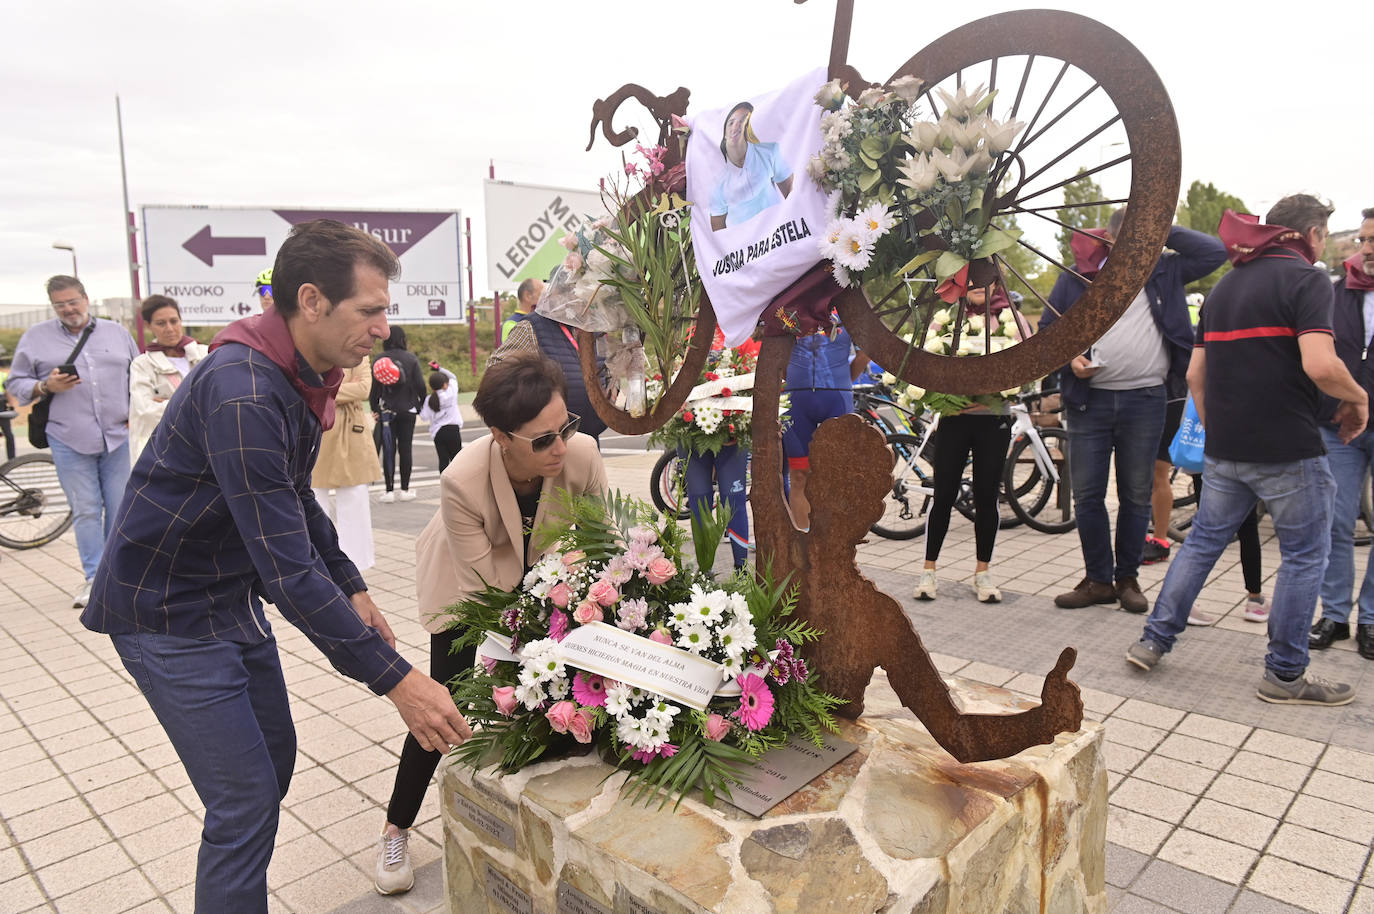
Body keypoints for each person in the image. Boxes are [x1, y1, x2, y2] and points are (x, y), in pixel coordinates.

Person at [79, 220, 470, 913]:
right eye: (370, 310)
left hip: (226, 599)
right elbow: (287, 570)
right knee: (244, 802)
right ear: (312, 301)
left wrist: (350, 585)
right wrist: (400, 683)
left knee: (274, 759)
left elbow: (293, 497)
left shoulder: (294, 373)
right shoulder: (245, 388)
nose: (384, 328)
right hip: (167, 612)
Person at [376, 351, 605, 895]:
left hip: (552, 578)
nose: (559, 447)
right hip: (467, 585)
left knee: (578, 679)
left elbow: (601, 544)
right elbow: (489, 596)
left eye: (563, 428)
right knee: (445, 703)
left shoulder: (582, 454)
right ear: (501, 436)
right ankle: (396, 827)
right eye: (541, 440)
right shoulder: (462, 480)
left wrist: (581, 590)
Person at [1125, 196, 1367, 707]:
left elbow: (1196, 375)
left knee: (1201, 544)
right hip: (1290, 449)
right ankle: (1284, 674)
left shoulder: (1226, 286)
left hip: (1227, 449)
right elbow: (1321, 365)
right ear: (1314, 234)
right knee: (1304, 557)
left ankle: (1154, 639)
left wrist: (1219, 431)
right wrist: (1359, 397)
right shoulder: (1307, 281)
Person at [1042, 211, 1226, 615]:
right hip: (1090, 403)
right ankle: (1097, 580)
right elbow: (1047, 330)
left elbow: (1215, 251)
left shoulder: (1165, 270)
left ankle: (1128, 578)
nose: (1135, 246)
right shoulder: (1078, 277)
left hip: (1146, 399)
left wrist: (1160, 225)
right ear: (1107, 238)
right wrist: (1071, 356)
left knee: (1136, 494)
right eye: (1126, 237)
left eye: (1144, 238)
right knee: (1088, 495)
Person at [8, 275, 139, 607]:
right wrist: (44, 387)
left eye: (73, 301)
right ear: (53, 306)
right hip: (68, 436)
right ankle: (95, 579)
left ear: (86, 298)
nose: (69, 309)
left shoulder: (117, 333)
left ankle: (119, 576)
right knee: (86, 510)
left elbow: (137, 375)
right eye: (60, 304)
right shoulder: (35, 339)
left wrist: (134, 411)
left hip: (116, 436)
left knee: (120, 508)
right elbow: (17, 383)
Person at [913, 283, 1013, 604]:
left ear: (996, 281)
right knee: (943, 494)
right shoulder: (944, 319)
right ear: (960, 283)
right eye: (970, 279)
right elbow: (925, 362)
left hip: (993, 420)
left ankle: (982, 574)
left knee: (986, 496)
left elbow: (1027, 368)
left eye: (986, 279)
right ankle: (928, 572)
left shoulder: (1010, 319)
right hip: (954, 419)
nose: (978, 286)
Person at [1310, 206, 1374, 661]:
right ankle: (1335, 614)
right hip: (1340, 427)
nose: (1366, 249)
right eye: (1364, 240)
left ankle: (1371, 619)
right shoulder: (1335, 292)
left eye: (1373, 242)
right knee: (1336, 521)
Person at [782, 320, 868, 528]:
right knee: (799, 475)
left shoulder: (849, 311)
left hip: (836, 398)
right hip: (797, 400)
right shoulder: (788, 313)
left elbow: (865, 354)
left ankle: (837, 545)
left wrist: (843, 381)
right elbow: (776, 353)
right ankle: (803, 544)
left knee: (840, 475)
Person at [311, 355, 383, 570]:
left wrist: (326, 390)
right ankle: (316, 558)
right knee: (313, 498)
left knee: (355, 497)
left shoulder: (359, 355)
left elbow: (363, 389)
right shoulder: (316, 350)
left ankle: (357, 560)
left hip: (351, 432)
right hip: (319, 428)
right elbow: (307, 387)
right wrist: (341, 389)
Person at [128, 295, 209, 461]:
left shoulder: (205, 354)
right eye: (161, 323)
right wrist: (199, 402)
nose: (170, 328)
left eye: (174, 321)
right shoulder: (142, 364)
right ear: (148, 326)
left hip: (207, 446)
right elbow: (145, 411)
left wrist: (169, 402)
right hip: (166, 451)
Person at [709, 101, 793, 232]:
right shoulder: (717, 182)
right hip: (745, 248)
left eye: (743, 121)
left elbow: (792, 195)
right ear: (724, 131)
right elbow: (719, 234)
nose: (736, 126)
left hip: (778, 236)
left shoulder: (770, 153)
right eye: (731, 122)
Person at [369, 327, 425, 502]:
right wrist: (420, 406)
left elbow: (374, 391)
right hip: (408, 411)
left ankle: (389, 491)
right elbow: (421, 387)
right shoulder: (411, 359)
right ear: (403, 339)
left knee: (389, 450)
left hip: (387, 412)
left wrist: (375, 409)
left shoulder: (380, 359)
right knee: (406, 448)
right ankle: (405, 490)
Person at [419, 362, 463, 473]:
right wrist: (439, 368)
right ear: (445, 384)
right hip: (453, 430)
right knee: (457, 459)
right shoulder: (451, 392)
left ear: (431, 386)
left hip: (438, 432)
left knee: (443, 460)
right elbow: (453, 377)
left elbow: (424, 417)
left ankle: (445, 485)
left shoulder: (429, 400)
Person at [500, 277, 542, 341]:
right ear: (528, 296)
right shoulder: (511, 324)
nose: (546, 299)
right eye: (542, 295)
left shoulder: (542, 320)